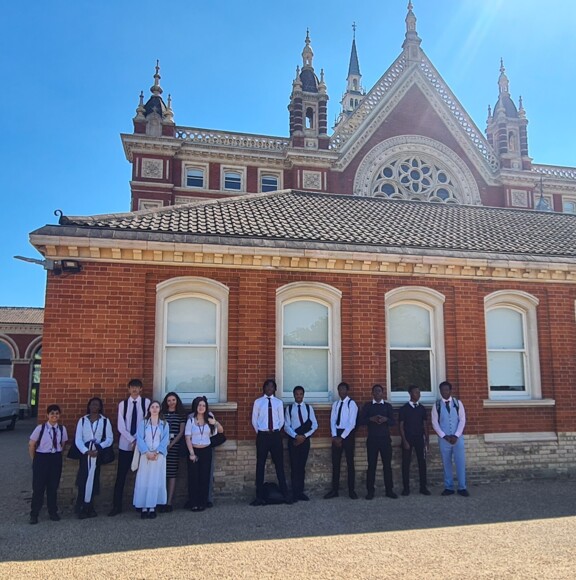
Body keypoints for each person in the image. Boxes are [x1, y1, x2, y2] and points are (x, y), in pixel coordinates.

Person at [109, 379, 150, 516]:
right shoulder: (123, 404)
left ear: (141, 389)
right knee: (121, 476)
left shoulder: (146, 403)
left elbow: (147, 423)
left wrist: (138, 440)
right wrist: (132, 439)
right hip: (125, 445)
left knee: (142, 475)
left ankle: (141, 504)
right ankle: (116, 506)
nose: (134, 390)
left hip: (141, 445)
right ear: (128, 389)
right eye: (132, 387)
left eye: (137, 387)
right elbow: (121, 426)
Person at [250, 378, 290, 506]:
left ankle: (285, 494)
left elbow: (281, 420)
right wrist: (261, 431)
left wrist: (275, 430)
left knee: (279, 465)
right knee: (260, 465)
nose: (269, 389)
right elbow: (254, 420)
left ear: (275, 389)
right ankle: (259, 496)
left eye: (272, 387)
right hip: (262, 436)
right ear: (264, 388)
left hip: (275, 436)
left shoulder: (278, 403)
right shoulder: (258, 402)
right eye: (267, 386)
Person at [28, 404, 69, 524]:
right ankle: (34, 514)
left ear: (59, 415)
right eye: (52, 413)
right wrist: (35, 459)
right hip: (41, 458)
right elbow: (31, 444)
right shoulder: (40, 428)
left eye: (56, 413)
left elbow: (63, 444)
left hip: (55, 458)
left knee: (53, 487)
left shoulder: (62, 429)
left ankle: (53, 512)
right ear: (47, 415)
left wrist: (57, 454)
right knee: (38, 487)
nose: (54, 416)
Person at [74, 397, 114, 518]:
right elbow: (78, 439)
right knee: (83, 478)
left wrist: (99, 447)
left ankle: (90, 506)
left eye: (97, 405)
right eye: (92, 404)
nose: (94, 407)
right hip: (86, 453)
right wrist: (86, 451)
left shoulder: (105, 421)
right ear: (89, 406)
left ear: (100, 407)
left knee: (94, 478)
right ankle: (81, 506)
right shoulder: (82, 420)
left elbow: (109, 438)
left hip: (97, 453)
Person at [185, 396, 223, 511]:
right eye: (199, 405)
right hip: (194, 450)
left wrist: (215, 422)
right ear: (196, 407)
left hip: (206, 451)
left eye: (203, 406)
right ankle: (194, 502)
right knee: (193, 477)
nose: (201, 407)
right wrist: (191, 453)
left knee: (204, 476)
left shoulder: (209, 419)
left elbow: (221, 431)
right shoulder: (191, 420)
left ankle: (203, 502)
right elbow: (187, 437)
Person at [431, 380, 469, 497]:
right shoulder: (437, 405)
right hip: (444, 439)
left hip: (458, 438)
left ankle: (462, 487)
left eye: (447, 390)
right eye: (442, 390)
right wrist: (444, 436)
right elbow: (435, 423)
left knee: (460, 462)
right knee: (446, 463)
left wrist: (456, 435)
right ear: (440, 391)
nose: (445, 392)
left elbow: (462, 420)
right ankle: (449, 487)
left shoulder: (458, 403)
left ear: (450, 390)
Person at [133, 400, 170, 518]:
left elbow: (165, 439)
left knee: (155, 479)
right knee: (144, 479)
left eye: (157, 407)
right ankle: (144, 507)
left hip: (158, 456)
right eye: (152, 407)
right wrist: (146, 452)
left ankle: (152, 506)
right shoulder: (143, 423)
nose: (154, 409)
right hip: (146, 456)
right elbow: (140, 438)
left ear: (160, 409)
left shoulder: (164, 424)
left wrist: (157, 452)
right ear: (149, 409)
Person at [361, 384, 398, 500]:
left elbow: (393, 422)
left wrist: (386, 419)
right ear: (372, 393)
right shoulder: (368, 406)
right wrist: (370, 419)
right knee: (371, 466)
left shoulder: (387, 406)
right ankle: (370, 491)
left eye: (379, 391)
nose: (377, 393)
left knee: (387, 466)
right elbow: (361, 421)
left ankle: (389, 490)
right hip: (372, 439)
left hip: (385, 439)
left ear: (382, 393)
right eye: (375, 391)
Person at [324, 382, 358, 500]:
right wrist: (334, 436)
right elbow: (332, 420)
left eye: (343, 389)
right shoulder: (336, 404)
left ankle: (351, 490)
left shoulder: (351, 404)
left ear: (347, 391)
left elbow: (352, 423)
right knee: (336, 463)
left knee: (350, 463)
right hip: (336, 434)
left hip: (347, 434)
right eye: (339, 389)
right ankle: (335, 490)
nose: (341, 391)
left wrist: (342, 437)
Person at [284, 385, 318, 501]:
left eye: (300, 394)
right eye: (297, 394)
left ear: (303, 395)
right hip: (293, 439)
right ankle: (294, 492)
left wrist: (304, 436)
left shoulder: (308, 408)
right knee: (294, 466)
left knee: (302, 466)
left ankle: (300, 492)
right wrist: (296, 436)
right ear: (294, 395)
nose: (299, 396)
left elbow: (314, 425)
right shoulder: (289, 409)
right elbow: (286, 426)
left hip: (305, 440)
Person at [399, 385, 430, 496]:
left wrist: (427, 439)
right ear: (410, 394)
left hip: (419, 438)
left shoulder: (422, 408)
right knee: (406, 463)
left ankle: (423, 487)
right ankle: (406, 488)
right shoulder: (404, 409)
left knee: (422, 463)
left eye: (419, 392)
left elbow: (425, 424)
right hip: (408, 438)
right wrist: (404, 440)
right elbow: (401, 426)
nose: (418, 394)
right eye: (416, 392)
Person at [159, 392, 186, 512]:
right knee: (161, 474)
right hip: (161, 447)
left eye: (173, 400)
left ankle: (169, 502)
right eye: (169, 400)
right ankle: (160, 500)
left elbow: (181, 432)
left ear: (177, 401)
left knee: (171, 474)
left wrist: (171, 444)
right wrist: (163, 445)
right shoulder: (162, 415)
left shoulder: (181, 414)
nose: (171, 402)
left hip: (174, 447)